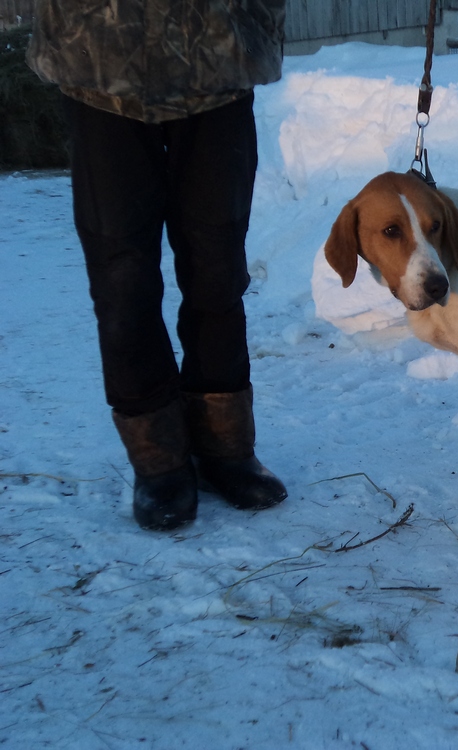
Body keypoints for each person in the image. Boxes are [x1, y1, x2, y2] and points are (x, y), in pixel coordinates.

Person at [27, 1, 288, 530]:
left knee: (218, 269)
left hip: (220, 50)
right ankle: (158, 460)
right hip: (97, 53)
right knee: (121, 280)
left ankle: (225, 446)